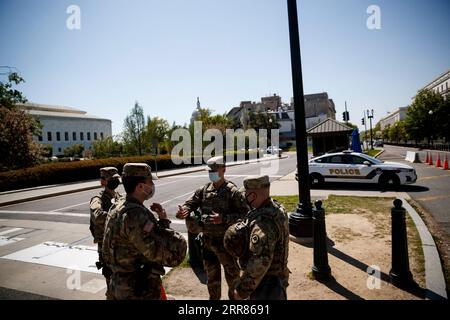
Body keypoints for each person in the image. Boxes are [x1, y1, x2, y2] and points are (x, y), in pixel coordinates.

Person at [102, 163, 186, 300]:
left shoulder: (117, 206)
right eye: (150, 182)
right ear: (140, 186)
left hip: (118, 285)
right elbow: (163, 254)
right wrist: (168, 230)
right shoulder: (135, 216)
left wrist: (162, 220)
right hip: (137, 290)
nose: (152, 185)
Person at [176, 156, 249, 300]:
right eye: (210, 170)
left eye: (214, 170)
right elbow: (190, 203)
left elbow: (245, 214)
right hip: (208, 244)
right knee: (212, 281)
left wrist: (224, 218)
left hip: (228, 245)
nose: (211, 173)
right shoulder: (204, 190)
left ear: (223, 170)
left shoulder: (232, 191)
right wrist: (184, 210)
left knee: (233, 280)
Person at [224, 175, 290, 300]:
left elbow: (259, 262)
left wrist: (242, 290)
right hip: (278, 279)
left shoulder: (262, 224)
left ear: (253, 196)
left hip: (266, 285)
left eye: (246, 194)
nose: (245, 198)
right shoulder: (277, 209)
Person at [89, 166, 122, 300]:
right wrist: (119, 215)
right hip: (106, 245)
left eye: (116, 179)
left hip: (120, 244)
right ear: (102, 181)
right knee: (111, 281)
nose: (115, 182)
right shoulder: (97, 200)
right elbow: (98, 217)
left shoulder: (120, 196)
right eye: (111, 179)